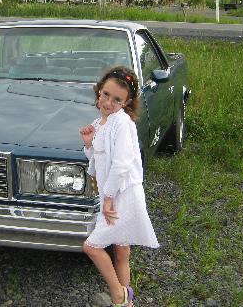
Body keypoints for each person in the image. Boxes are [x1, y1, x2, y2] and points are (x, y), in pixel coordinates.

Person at [79, 66, 159, 307]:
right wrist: (89, 144)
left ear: (127, 102)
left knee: (92, 247)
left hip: (122, 194)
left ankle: (117, 293)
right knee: (121, 249)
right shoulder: (100, 123)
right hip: (113, 193)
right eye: (106, 94)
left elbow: (122, 163)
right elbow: (98, 161)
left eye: (117, 100)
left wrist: (109, 197)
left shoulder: (122, 123)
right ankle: (126, 301)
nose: (108, 102)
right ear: (99, 90)